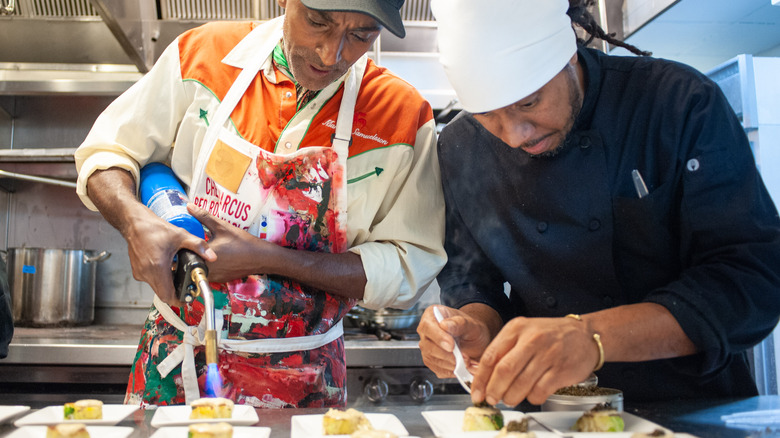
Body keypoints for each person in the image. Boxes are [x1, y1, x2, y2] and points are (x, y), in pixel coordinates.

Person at [74, 0, 445, 408]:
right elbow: (107, 151)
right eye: (318, 22)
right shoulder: (204, 55)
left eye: (361, 35)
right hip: (175, 362)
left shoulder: (403, 115)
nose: (331, 53)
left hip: (305, 384)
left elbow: (410, 264)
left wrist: (267, 258)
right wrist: (133, 222)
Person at [418, 0, 780, 408]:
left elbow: (751, 280)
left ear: (568, 53)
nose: (515, 134)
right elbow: (472, 279)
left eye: (529, 103)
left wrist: (591, 337)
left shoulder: (679, 104)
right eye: (488, 115)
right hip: (549, 416)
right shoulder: (461, 147)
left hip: (691, 406)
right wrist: (473, 325)